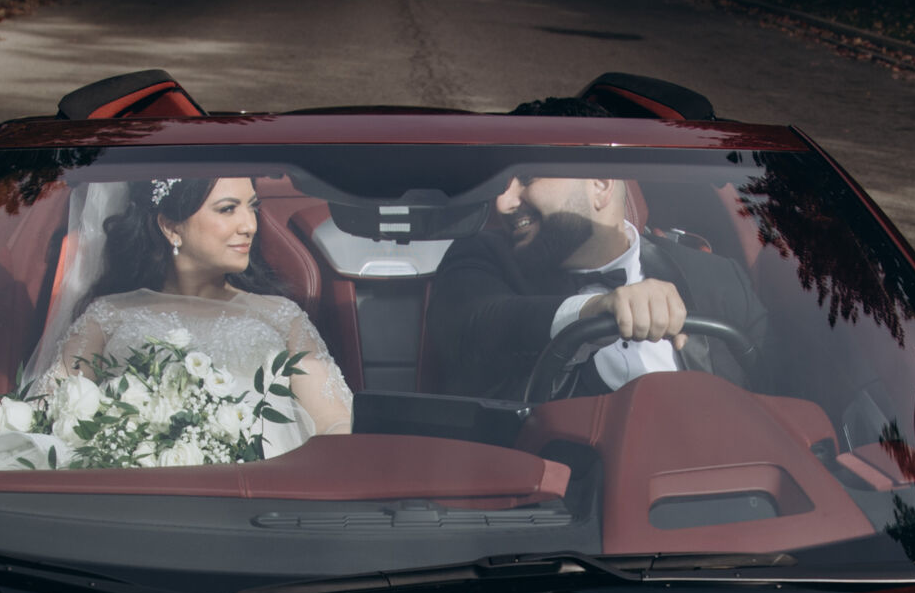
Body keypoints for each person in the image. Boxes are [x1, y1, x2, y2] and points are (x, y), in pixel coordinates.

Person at [39, 172, 352, 443]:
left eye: (252, 207)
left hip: (264, 488)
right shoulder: (107, 315)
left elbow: (336, 423)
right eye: (228, 209)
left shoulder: (282, 316)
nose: (250, 225)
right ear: (171, 227)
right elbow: (49, 415)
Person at [428, 166, 763, 403]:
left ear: (600, 185)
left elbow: (775, 399)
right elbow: (475, 324)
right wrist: (594, 310)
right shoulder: (480, 258)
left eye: (527, 178)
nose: (503, 203)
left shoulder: (716, 277)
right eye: (501, 185)